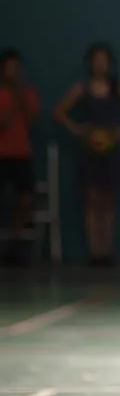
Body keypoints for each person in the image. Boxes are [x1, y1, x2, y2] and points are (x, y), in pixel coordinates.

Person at [54, 43, 120, 266]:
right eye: (96, 59)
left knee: (108, 200)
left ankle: (107, 250)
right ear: (90, 63)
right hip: (89, 149)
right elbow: (59, 112)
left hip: (110, 149)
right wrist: (76, 128)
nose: (100, 63)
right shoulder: (82, 88)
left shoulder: (118, 88)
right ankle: (94, 251)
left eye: (104, 59)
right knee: (91, 199)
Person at [0, 49, 41, 267]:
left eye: (16, 68)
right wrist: (13, 98)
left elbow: (32, 120)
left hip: (21, 154)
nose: (12, 72)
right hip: (1, 154)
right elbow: (4, 121)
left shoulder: (28, 93)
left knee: (26, 199)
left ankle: (14, 244)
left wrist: (20, 96)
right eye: (9, 68)